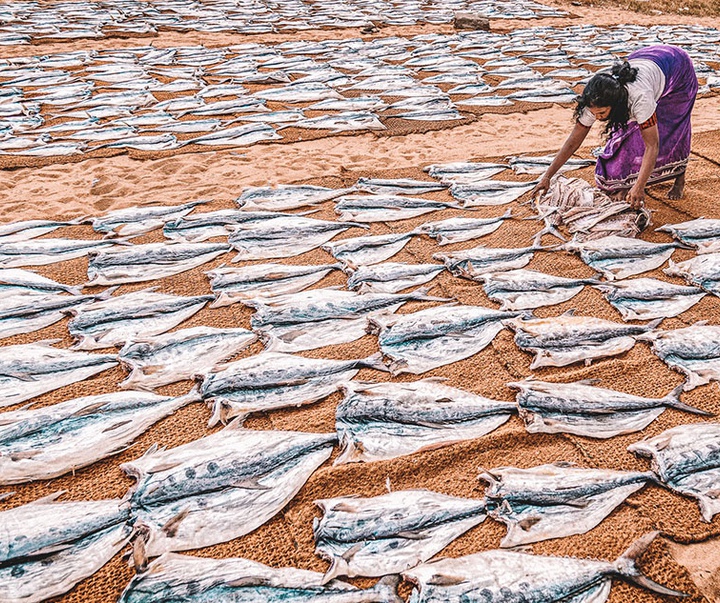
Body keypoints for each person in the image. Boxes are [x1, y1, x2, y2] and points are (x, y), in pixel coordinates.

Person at [532, 44, 698, 210]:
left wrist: (639, 187)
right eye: (594, 113)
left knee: (670, 130)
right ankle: (627, 183)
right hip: (647, 58)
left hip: (678, 69)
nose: (597, 118)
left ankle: (679, 178)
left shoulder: (640, 99)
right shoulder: (595, 100)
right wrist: (547, 176)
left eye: (602, 113)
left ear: (615, 104)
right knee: (623, 139)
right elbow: (573, 142)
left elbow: (652, 146)